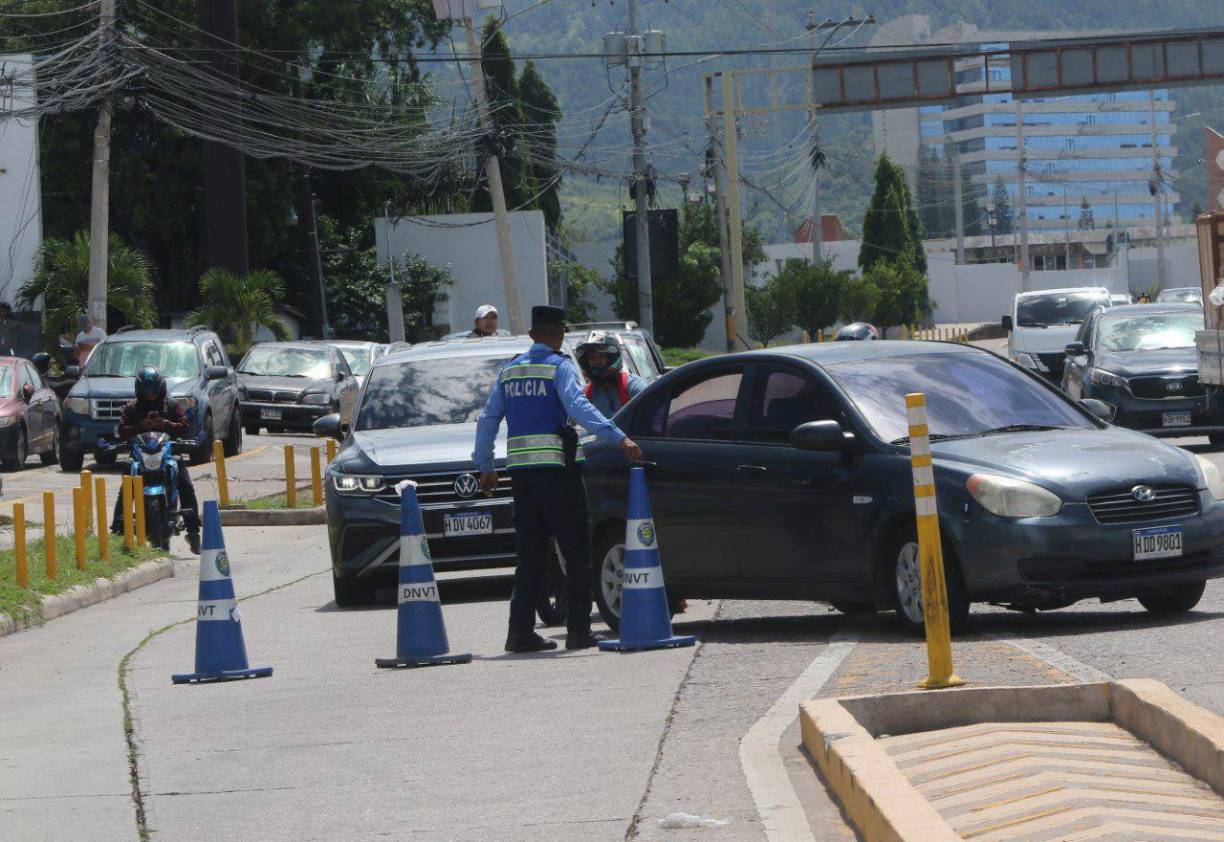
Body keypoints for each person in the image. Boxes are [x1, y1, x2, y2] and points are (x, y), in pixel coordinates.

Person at [473, 305, 643, 653]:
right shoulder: (559, 368)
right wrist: (619, 436)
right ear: (560, 335)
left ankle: (519, 633)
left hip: (521, 477)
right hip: (557, 473)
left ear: (533, 335)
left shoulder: (509, 372)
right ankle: (579, 630)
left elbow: (488, 420)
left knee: (530, 556)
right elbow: (579, 408)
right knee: (577, 551)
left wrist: (485, 466)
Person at [110, 366, 201, 555]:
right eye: (146, 393)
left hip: (167, 454)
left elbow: (185, 427)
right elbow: (122, 430)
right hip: (141, 455)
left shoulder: (172, 405)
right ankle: (118, 529)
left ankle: (193, 532)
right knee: (127, 479)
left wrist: (165, 424)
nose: (151, 397)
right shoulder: (132, 408)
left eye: (154, 392)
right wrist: (139, 426)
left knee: (184, 480)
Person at [575, 330, 646, 417]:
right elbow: (575, 421)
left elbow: (655, 421)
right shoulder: (587, 395)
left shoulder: (633, 386)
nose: (597, 361)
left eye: (602, 356)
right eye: (592, 357)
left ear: (612, 358)